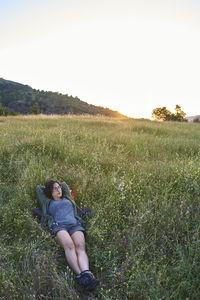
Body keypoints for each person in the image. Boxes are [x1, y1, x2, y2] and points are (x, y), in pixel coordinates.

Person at [37, 179, 100, 291]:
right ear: (49, 192)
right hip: (59, 226)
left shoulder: (67, 198)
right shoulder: (47, 202)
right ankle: (82, 275)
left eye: (59, 187)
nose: (58, 190)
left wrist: (59, 185)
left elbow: (65, 185)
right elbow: (38, 188)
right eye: (54, 189)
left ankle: (86, 273)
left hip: (74, 225)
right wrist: (50, 187)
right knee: (69, 245)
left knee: (80, 246)